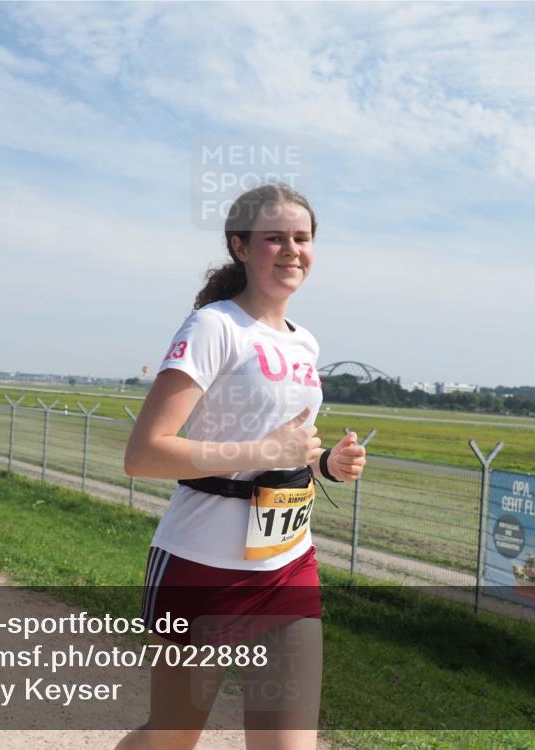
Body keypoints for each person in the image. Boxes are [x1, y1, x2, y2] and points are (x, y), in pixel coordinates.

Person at [116, 183, 367, 750]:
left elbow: (280, 446)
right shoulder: (213, 327)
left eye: (301, 238)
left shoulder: (306, 344)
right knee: (171, 739)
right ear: (240, 246)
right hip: (202, 568)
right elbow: (144, 453)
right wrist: (262, 453)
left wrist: (326, 463)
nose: (291, 250)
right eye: (273, 238)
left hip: (288, 566)